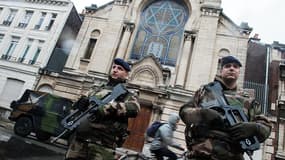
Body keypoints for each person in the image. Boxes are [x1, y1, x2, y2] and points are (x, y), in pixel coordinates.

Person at [179, 56, 272, 160]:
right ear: (221, 70)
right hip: (200, 153)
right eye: (227, 66)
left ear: (239, 72)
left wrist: (254, 128)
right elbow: (184, 112)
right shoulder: (205, 91)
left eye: (235, 67)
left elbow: (265, 127)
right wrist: (201, 114)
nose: (231, 68)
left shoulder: (248, 101)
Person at [65, 58, 140, 160]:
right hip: (79, 142)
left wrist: (107, 108)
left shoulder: (128, 94)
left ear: (126, 74)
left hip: (103, 146)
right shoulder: (96, 89)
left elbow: (134, 108)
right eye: (113, 67)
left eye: (120, 68)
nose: (115, 70)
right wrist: (80, 103)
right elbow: (76, 106)